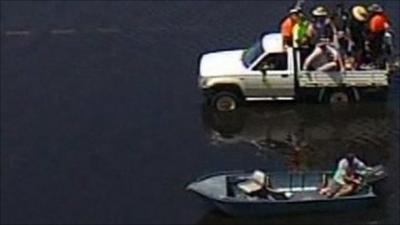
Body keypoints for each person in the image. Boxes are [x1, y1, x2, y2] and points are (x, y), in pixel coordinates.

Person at [303, 6, 344, 72]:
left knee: (336, 54)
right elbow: (310, 36)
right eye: (319, 16)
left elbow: (334, 33)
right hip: (319, 44)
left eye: (322, 16)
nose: (320, 18)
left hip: (328, 43)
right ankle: (305, 68)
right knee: (312, 56)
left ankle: (342, 68)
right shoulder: (312, 25)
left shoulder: (328, 23)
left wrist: (332, 41)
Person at [366, 4, 391, 68]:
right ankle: (379, 63)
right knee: (379, 51)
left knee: (376, 51)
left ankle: (376, 63)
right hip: (380, 36)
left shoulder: (376, 18)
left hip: (376, 36)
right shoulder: (383, 17)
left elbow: (373, 28)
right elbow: (387, 26)